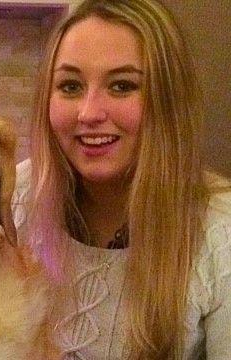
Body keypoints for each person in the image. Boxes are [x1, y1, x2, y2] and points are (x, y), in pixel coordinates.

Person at [12, 0, 231, 358]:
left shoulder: (221, 235)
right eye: (70, 86)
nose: (89, 113)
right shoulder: (17, 198)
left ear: (168, 101)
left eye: (122, 86)